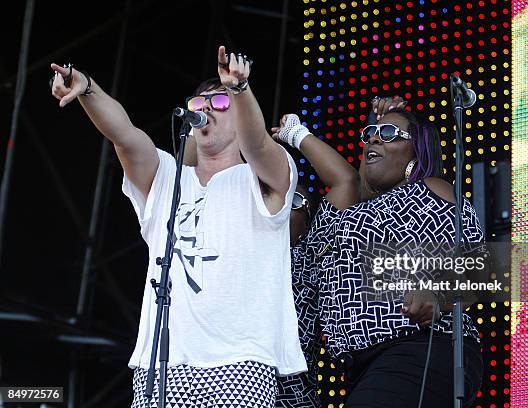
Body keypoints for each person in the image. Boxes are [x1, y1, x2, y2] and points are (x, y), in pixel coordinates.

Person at [50, 46, 306, 407]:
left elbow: (259, 142)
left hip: (240, 362)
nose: (205, 112)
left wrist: (238, 89)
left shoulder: (262, 180)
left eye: (218, 105)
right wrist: (89, 89)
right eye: (199, 106)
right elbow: (125, 136)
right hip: (159, 363)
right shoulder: (167, 177)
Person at [318, 105, 485, 407]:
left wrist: (438, 294)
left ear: (417, 150)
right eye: (369, 135)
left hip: (420, 347)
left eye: (389, 134)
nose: (373, 140)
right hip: (364, 365)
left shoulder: (432, 189)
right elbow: (357, 185)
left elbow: (476, 263)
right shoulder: (363, 210)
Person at [270, 114, 360, 407]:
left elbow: (346, 181)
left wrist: (296, 134)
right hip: (224, 389)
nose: (282, 208)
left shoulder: (309, 254)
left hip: (290, 396)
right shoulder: (234, 245)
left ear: (310, 222)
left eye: (293, 202)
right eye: (273, 197)